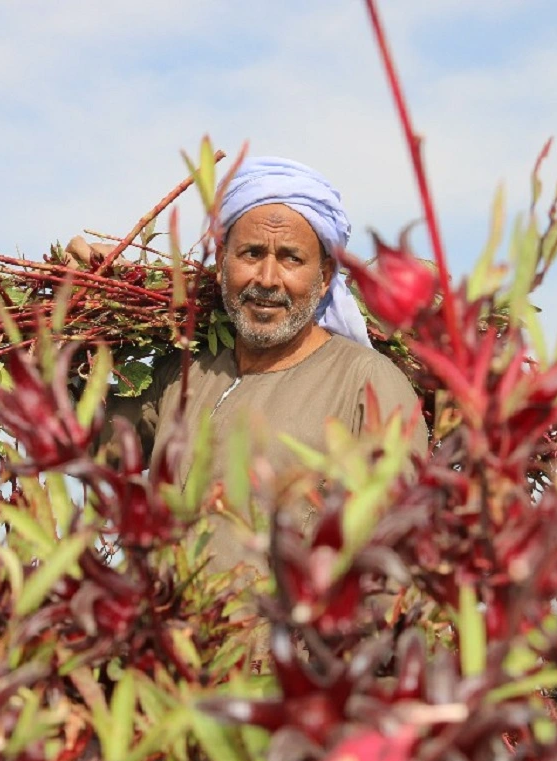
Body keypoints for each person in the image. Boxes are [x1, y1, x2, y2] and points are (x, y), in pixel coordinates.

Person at [104, 156, 427, 574]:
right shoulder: (183, 375)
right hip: (156, 635)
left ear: (325, 275)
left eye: (291, 258)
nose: (268, 278)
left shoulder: (366, 383)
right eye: (251, 253)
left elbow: (398, 553)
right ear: (221, 259)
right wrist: (75, 341)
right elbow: (96, 449)